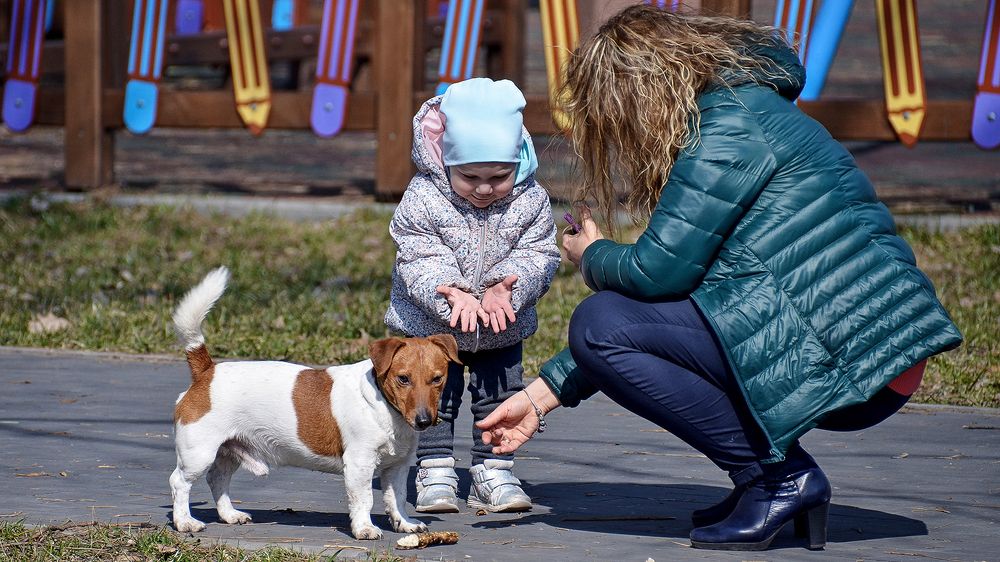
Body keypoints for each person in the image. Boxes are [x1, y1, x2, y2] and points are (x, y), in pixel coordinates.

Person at [476, 5, 962, 552]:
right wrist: (543, 396)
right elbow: (678, 307)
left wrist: (591, 255)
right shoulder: (742, 109)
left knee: (598, 321)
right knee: (608, 326)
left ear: (643, 91)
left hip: (853, 352)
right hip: (861, 345)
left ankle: (779, 479)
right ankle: (774, 480)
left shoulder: (727, 127)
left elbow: (658, 274)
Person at [384, 77, 561, 514]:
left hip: (501, 326)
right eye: (470, 177)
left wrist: (511, 285)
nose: (485, 188)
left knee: (500, 395)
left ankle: (494, 469)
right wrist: (451, 292)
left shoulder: (531, 199)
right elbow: (418, 253)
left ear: (517, 162)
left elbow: (540, 250)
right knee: (434, 398)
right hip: (430, 326)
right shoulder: (424, 197)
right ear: (445, 161)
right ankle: (435, 467)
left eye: (499, 176)